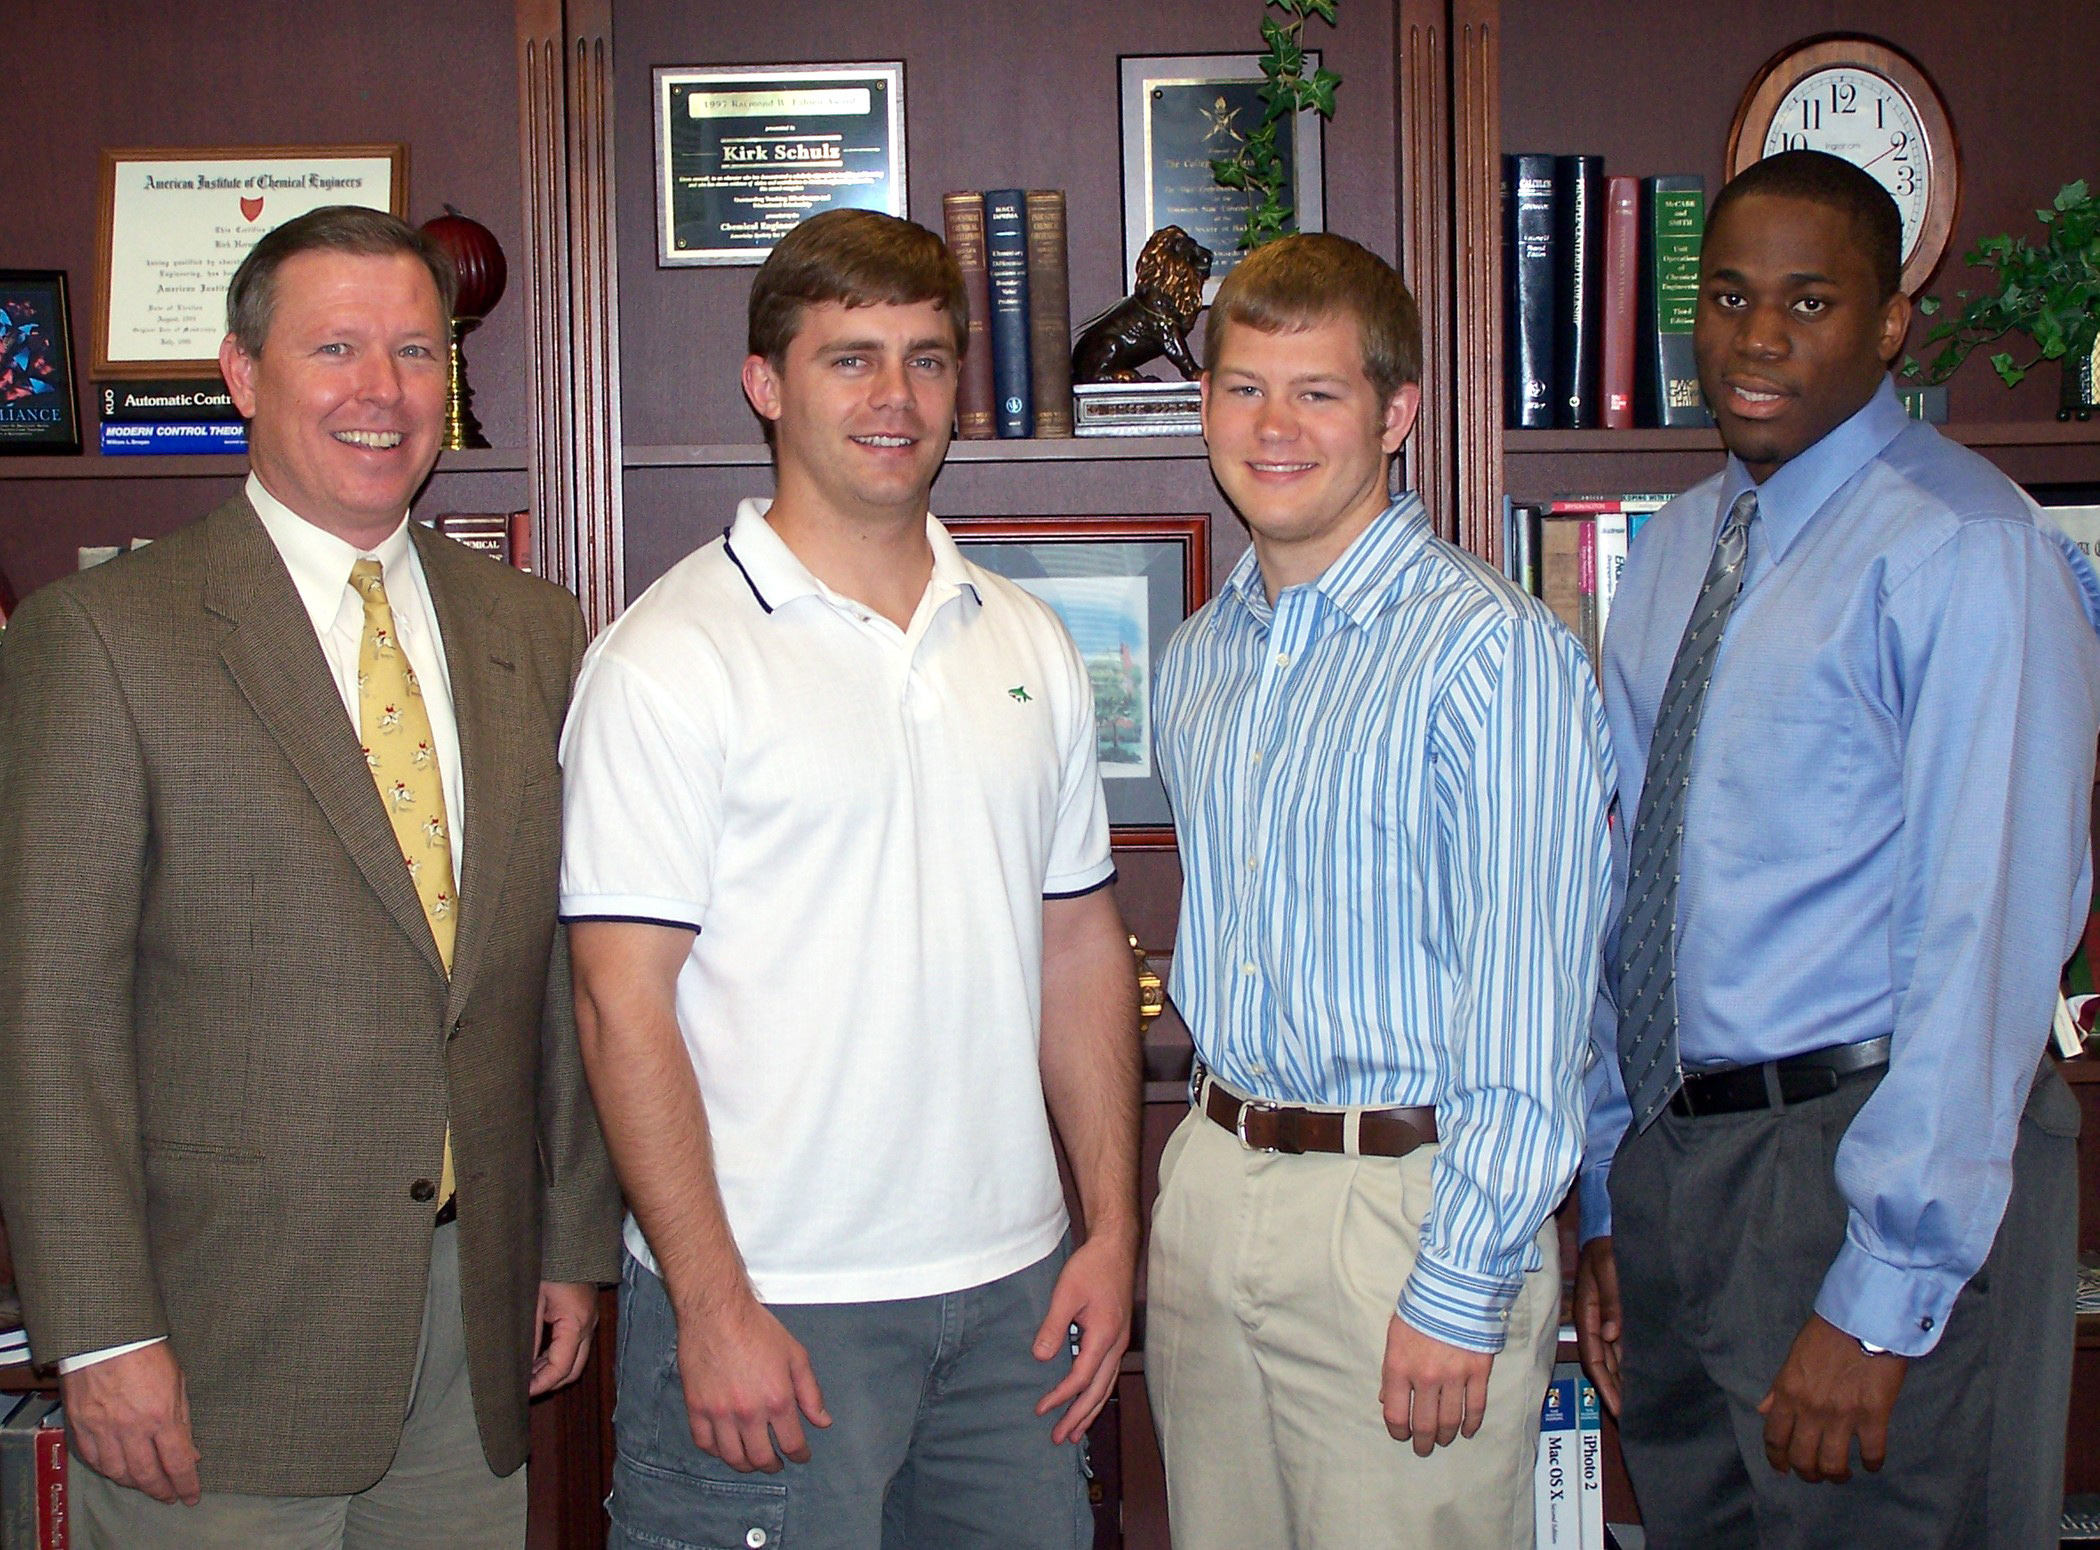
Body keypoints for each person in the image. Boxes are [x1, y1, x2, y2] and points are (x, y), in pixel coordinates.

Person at [0, 207, 623, 1548]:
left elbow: (557, 960)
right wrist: (100, 1330)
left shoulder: (532, 626)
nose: (380, 390)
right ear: (241, 373)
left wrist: (572, 1236)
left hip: (476, 1322)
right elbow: (47, 1021)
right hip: (216, 1335)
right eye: (333, 346)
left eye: (413, 350)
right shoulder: (102, 638)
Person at [559, 206, 1140, 1550]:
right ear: (766, 384)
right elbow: (617, 1006)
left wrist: (1111, 1229)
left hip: (1014, 1303)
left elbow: (1078, 948)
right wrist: (709, 1303)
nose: (898, 397)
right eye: (852, 358)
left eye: (929, 359)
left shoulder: (1031, 638)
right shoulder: (669, 657)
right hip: (775, 1303)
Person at [1574, 150, 2100, 1550]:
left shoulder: (1967, 552)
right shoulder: (1680, 549)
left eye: (1811, 301)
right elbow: (1629, 898)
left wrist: (1883, 1292)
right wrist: (1614, 1186)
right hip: (1688, 1175)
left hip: (1861, 1164)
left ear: (1889, 326)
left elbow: (1986, 935)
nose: (1758, 337)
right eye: (1732, 294)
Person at [1145, 231, 1614, 1549]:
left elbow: (1528, 1008)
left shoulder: (1495, 656)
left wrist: (1460, 1284)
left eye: (1319, 391)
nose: (1273, 425)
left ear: (1397, 413)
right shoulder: (1197, 662)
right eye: (1242, 387)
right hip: (1215, 1180)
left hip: (1406, 1214)